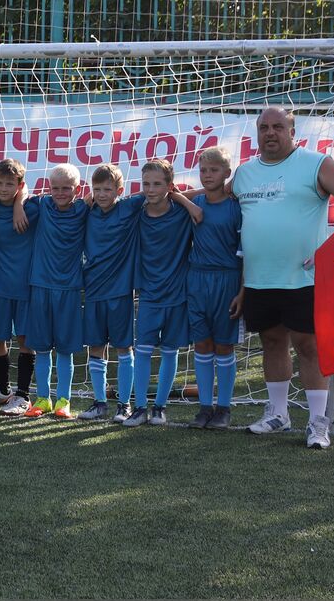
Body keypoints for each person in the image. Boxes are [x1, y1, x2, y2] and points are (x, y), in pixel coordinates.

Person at [233, 107, 334, 448]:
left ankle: (317, 423)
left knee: (308, 346)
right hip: (260, 278)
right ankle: (278, 414)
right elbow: (217, 196)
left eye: (278, 126)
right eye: (263, 127)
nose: (270, 132)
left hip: (305, 278)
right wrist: (171, 196)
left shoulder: (316, 163)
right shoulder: (244, 173)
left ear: (292, 130)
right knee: (272, 341)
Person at [123, 159, 203, 428]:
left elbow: (207, 192)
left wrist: (184, 200)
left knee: (170, 351)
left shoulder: (181, 213)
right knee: (143, 350)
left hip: (178, 294)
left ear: (169, 186)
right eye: (146, 183)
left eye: (157, 184)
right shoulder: (137, 212)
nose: (150, 189)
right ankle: (140, 407)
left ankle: (160, 407)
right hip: (148, 295)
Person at [78, 164, 145, 422]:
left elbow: (161, 192)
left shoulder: (128, 207)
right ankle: (99, 402)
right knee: (95, 346)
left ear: (119, 190)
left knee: (123, 347)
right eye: (97, 189)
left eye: (107, 189)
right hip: (93, 290)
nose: (102, 194)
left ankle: (124, 405)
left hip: (120, 292)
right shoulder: (87, 211)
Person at [23, 165, 89, 420]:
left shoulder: (84, 209)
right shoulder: (42, 205)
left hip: (69, 288)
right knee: (41, 348)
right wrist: (19, 205)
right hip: (40, 286)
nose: (60, 193)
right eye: (55, 188)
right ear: (48, 188)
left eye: (66, 188)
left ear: (77, 189)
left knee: (64, 350)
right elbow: (20, 191)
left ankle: (64, 400)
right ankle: (42, 399)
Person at [186, 146, 243, 431]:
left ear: (227, 174)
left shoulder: (237, 207)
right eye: (203, 170)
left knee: (223, 345)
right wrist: (181, 199)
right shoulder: (196, 202)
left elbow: (246, 252)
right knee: (202, 344)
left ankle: (224, 408)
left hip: (227, 280)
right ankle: (205, 407)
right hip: (197, 281)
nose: (207, 175)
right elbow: (169, 197)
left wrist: (242, 291)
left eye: (214, 170)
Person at [0, 159, 39, 413]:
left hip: (25, 285)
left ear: (20, 185)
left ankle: (22, 395)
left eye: (9, 184)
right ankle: (3, 390)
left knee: (25, 338)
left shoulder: (32, 208)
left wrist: (20, 202)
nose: (3, 188)